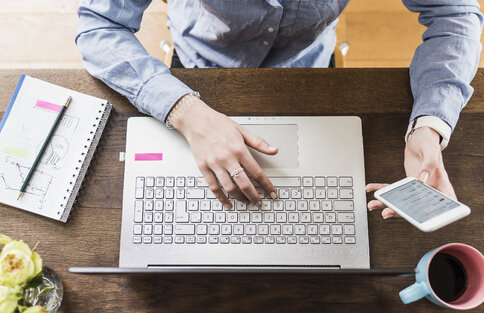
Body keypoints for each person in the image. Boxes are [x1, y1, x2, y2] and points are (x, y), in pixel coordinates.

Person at [76, 0, 483, 218]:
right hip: (199, 71)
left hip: (313, 70)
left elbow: (455, 12)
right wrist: (185, 111)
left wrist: (429, 124)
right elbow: (99, 24)